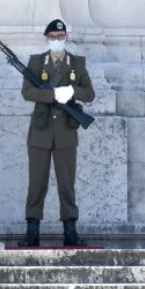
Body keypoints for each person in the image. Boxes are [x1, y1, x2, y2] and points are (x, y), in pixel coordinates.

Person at [18, 19, 95, 247]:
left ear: (66, 38)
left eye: (60, 37)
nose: (57, 40)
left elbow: (89, 94)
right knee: (36, 184)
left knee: (66, 184)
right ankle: (32, 231)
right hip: (40, 132)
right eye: (52, 37)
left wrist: (71, 91)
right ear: (47, 38)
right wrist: (52, 96)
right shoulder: (36, 62)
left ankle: (70, 231)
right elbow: (27, 92)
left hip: (66, 133)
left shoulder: (77, 64)